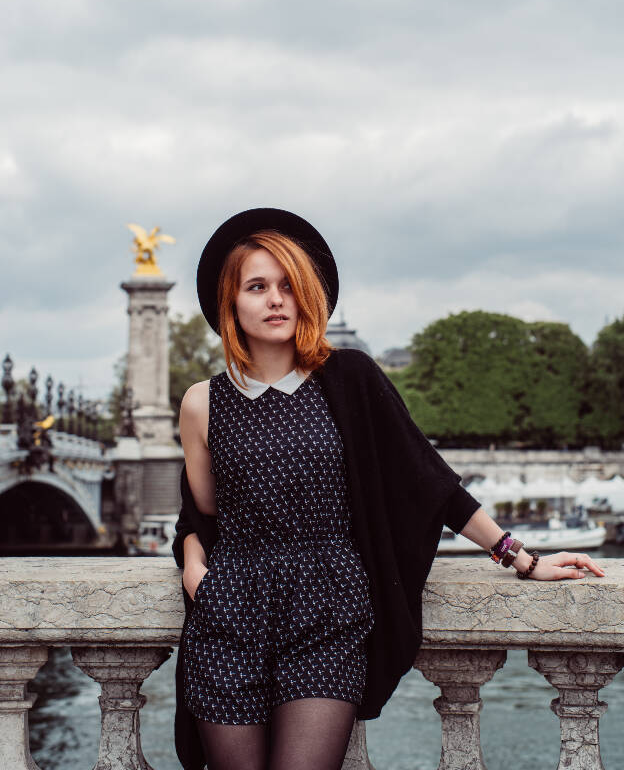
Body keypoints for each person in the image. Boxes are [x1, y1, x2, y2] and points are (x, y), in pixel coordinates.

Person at [172, 207, 606, 770]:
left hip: (326, 609)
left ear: (307, 296)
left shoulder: (348, 378)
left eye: (288, 286)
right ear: (231, 302)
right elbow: (202, 509)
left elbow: (428, 483)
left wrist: (520, 557)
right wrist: (192, 565)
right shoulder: (201, 403)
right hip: (230, 610)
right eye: (257, 287)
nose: (276, 299)